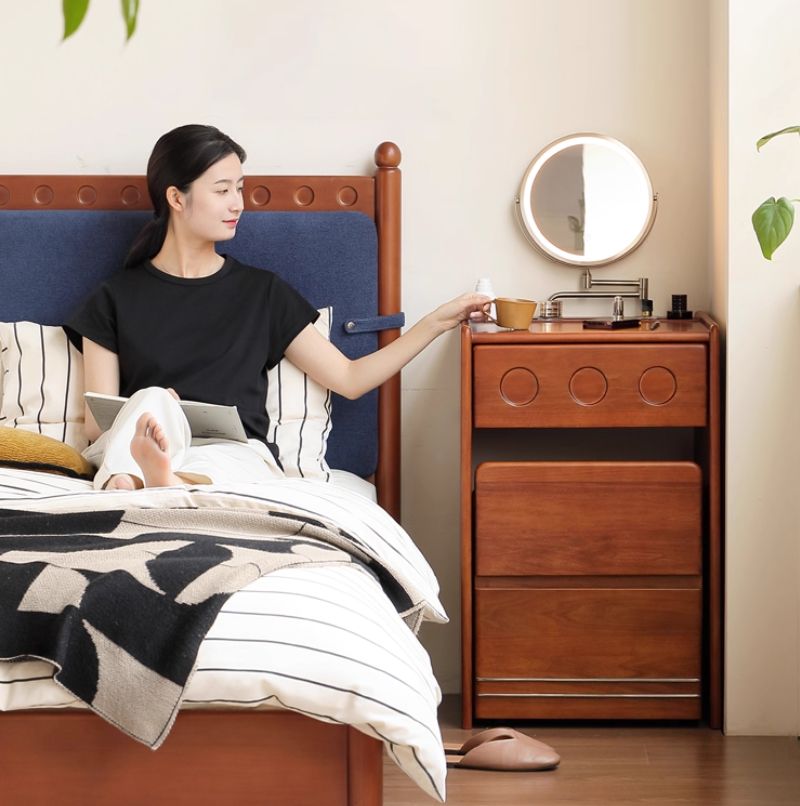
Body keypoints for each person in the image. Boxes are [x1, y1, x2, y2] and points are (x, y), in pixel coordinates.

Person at [66, 124, 489, 491]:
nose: (237, 203)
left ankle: (154, 483)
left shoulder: (262, 293)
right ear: (176, 198)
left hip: (229, 453)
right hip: (138, 441)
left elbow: (349, 378)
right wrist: (154, 408)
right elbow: (95, 424)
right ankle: (143, 477)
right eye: (222, 190)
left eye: (239, 189)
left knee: (229, 461)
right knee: (151, 403)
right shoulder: (115, 297)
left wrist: (434, 323)